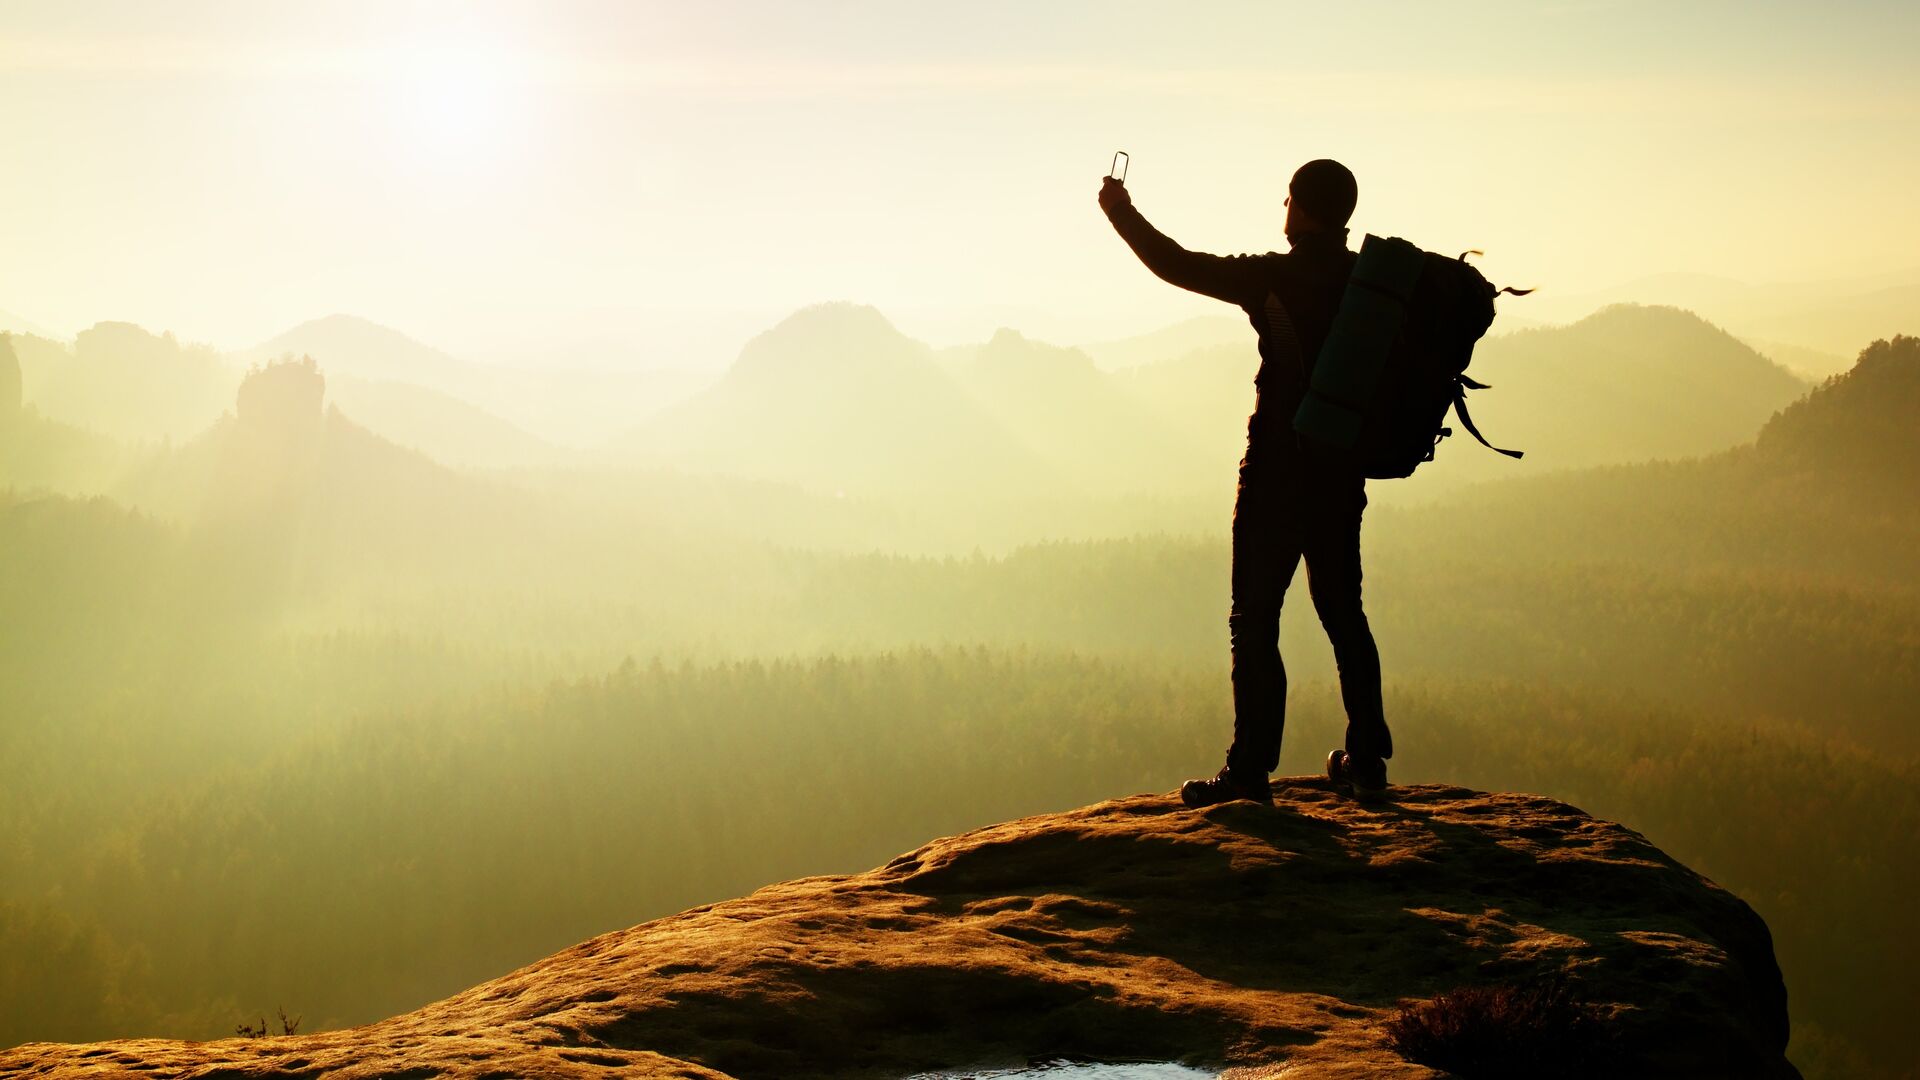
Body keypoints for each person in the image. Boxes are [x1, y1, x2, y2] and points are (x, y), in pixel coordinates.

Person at [1098, 158, 1391, 805]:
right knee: (1345, 614)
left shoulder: (1274, 277)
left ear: (1305, 210)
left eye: (1287, 199)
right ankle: (1368, 758)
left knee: (1255, 620)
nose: (1282, 209)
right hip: (1341, 477)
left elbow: (1176, 263)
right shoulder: (1369, 285)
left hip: (1276, 478)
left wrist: (1120, 212)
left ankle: (1250, 771)